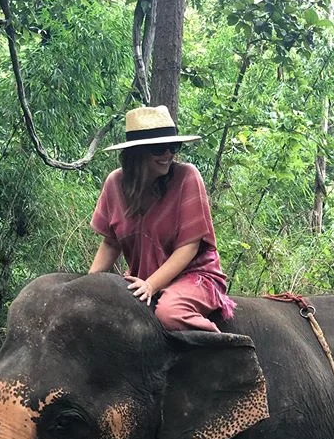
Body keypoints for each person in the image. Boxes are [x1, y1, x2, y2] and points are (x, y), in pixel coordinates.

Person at [89, 105, 235, 332]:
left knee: (170, 313)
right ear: (136, 153)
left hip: (194, 276)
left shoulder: (187, 176)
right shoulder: (114, 184)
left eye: (173, 146)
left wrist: (151, 284)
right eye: (159, 148)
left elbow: (189, 246)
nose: (168, 154)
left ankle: (222, 347)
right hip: (142, 280)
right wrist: (87, 284)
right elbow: (110, 242)